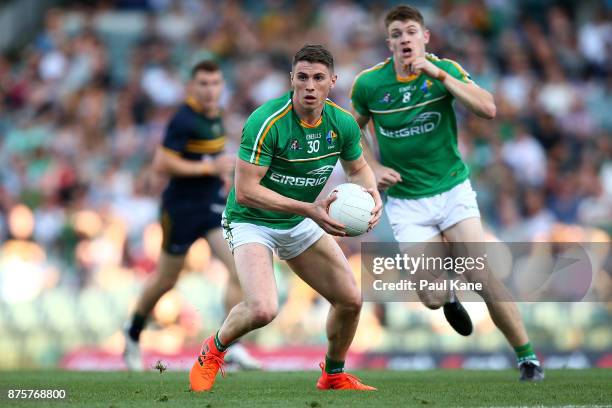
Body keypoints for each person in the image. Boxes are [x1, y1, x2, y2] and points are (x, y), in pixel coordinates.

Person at [350, 5, 544, 381]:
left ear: (425, 37)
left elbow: (488, 108)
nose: (404, 39)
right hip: (407, 202)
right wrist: (371, 167)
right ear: (388, 42)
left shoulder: (445, 71)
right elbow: (350, 130)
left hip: (452, 190)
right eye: (396, 34)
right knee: (432, 297)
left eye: (410, 31)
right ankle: (449, 295)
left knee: (479, 272)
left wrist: (438, 74)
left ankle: (528, 359)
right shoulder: (369, 85)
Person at [189, 44, 382, 392]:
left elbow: (359, 169)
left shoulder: (342, 124)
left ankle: (333, 375)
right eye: (303, 77)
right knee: (263, 309)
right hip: (251, 220)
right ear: (291, 79)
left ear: (332, 81)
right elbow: (246, 191)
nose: (310, 85)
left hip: (298, 221)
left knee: (351, 300)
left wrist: (372, 194)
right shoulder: (266, 121)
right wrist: (309, 209)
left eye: (318, 78)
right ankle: (213, 350)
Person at [123, 60, 261, 372]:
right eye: (204, 84)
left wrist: (221, 175)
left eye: (215, 83)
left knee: (238, 269)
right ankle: (132, 331)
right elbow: (161, 164)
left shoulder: (215, 116)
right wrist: (208, 168)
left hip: (210, 206)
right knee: (167, 279)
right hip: (181, 209)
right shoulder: (183, 120)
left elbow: (210, 157)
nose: (210, 90)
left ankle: (232, 346)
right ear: (191, 87)